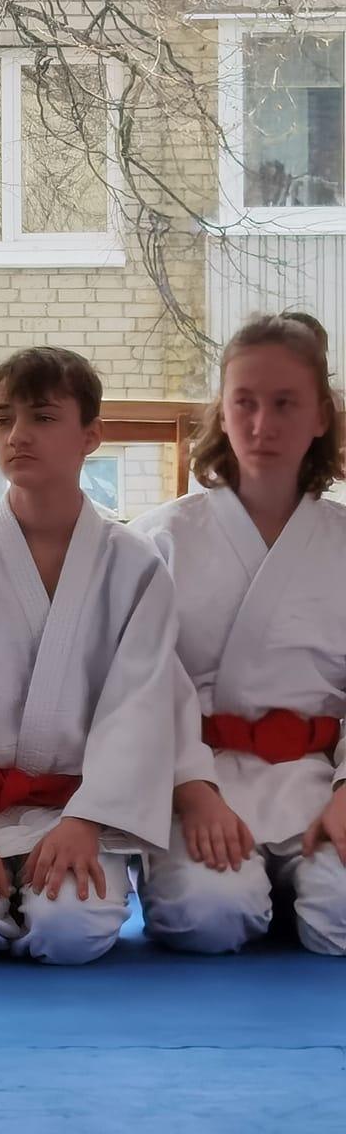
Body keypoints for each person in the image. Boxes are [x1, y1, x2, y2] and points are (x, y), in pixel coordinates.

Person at [0, 347, 183, 965]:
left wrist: (88, 819)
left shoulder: (135, 565)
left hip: (79, 808)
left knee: (71, 933)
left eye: (42, 417)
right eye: (2, 419)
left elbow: (140, 707)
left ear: (91, 435)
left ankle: (58, 875)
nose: (17, 435)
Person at [131, 312, 346, 955]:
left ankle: (297, 890)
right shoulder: (160, 541)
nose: (261, 424)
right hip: (201, 781)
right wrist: (192, 792)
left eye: (284, 404)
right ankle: (258, 892)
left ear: (320, 416)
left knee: (340, 918)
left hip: (317, 780)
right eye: (244, 402)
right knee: (208, 915)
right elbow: (139, 688)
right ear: (221, 413)